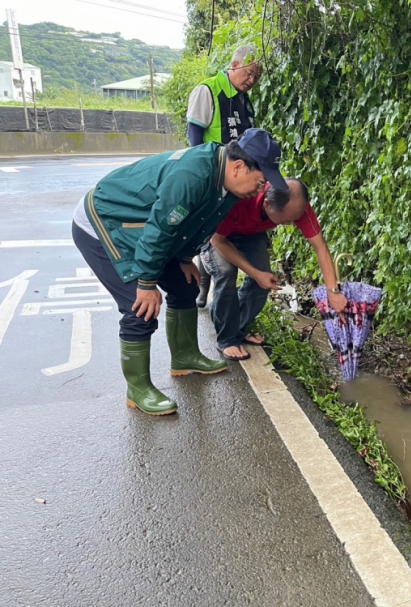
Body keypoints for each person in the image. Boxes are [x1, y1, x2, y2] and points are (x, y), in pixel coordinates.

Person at [71, 128, 289, 416]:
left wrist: (186, 258)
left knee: (185, 285)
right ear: (239, 167)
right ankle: (138, 388)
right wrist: (147, 283)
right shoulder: (193, 175)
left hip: (144, 228)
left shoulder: (228, 183)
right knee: (139, 308)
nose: (261, 190)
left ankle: (184, 357)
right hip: (105, 224)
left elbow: (200, 223)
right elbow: (161, 228)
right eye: (260, 181)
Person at [201, 178, 348, 361]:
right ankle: (227, 339)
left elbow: (321, 248)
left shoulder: (297, 207)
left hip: (250, 233)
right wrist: (256, 274)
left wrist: (333, 292)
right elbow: (218, 241)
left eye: (294, 219)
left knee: (263, 284)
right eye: (286, 219)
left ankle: (236, 327)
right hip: (216, 235)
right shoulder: (242, 197)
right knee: (226, 274)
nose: (291, 223)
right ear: (267, 204)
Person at [186, 45, 263, 308]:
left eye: (257, 77)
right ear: (234, 64)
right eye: (249, 73)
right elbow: (195, 134)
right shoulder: (208, 90)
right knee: (211, 232)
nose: (252, 80)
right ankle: (203, 286)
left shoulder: (244, 99)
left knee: (222, 232)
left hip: (240, 179)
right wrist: (202, 174)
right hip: (216, 176)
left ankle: (207, 283)